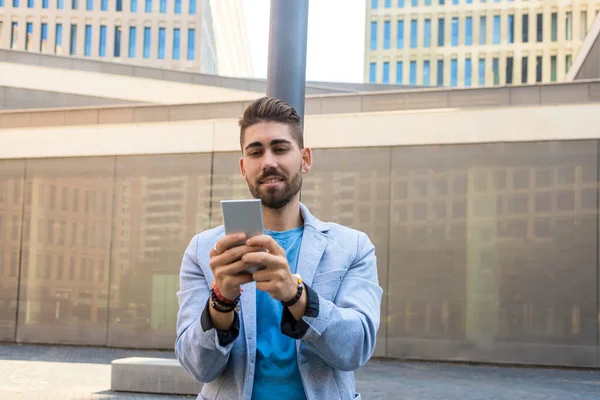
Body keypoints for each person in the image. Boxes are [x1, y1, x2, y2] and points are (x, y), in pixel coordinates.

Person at [175, 97, 382, 400]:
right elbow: (197, 367)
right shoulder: (205, 251)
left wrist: (297, 295)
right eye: (256, 151)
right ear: (244, 168)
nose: (268, 161)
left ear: (305, 159)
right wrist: (221, 301)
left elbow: (356, 349)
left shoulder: (353, 247)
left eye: (281, 148)